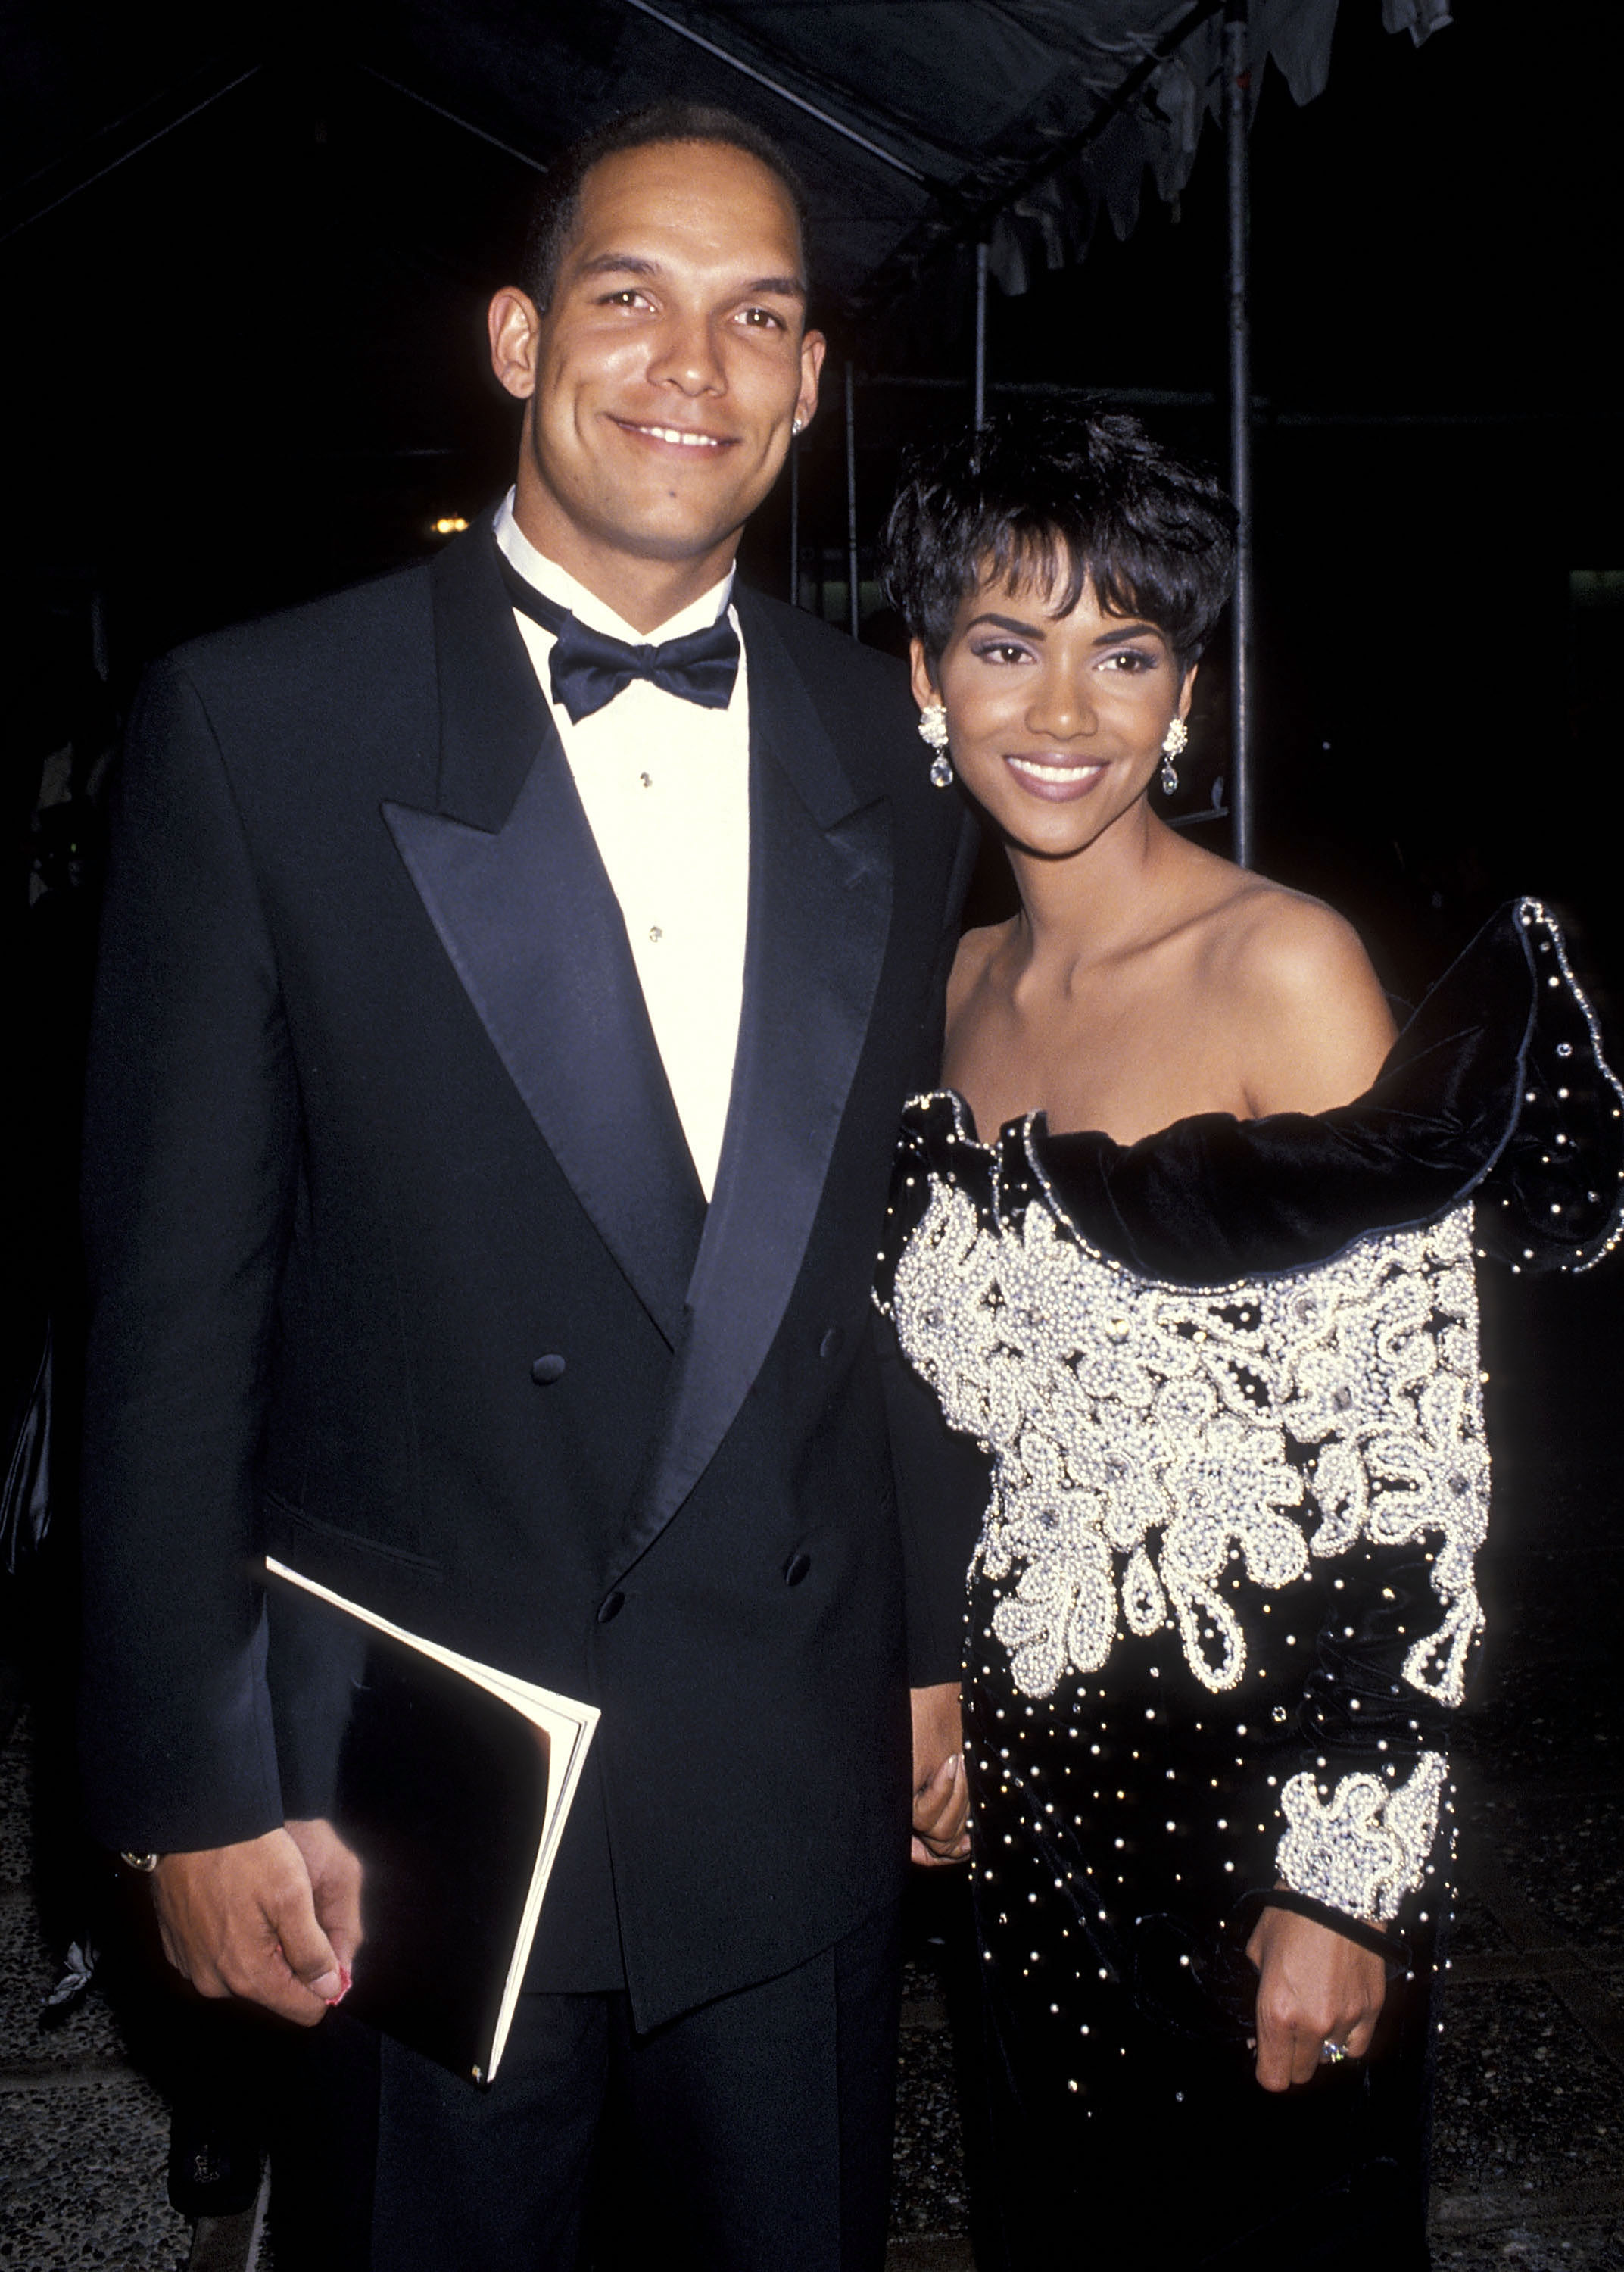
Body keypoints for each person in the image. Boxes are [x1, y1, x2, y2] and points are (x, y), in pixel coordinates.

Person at [76, 104, 977, 2270]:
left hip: (789, 1756)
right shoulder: (259, 723)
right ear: (513, 339)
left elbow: (913, 1261)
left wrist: (931, 1639)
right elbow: (165, 1311)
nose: (691, 364)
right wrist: (190, 1782)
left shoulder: (905, 746)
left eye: (754, 316)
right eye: (628, 297)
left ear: (806, 386)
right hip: (431, 1781)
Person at [875, 410, 1624, 2268]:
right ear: (924, 678)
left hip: (1252, 1808)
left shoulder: (1277, 969)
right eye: (1003, 643)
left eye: (1121, 649)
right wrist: (936, 1679)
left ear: (1184, 691)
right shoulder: (946, 986)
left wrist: (1347, 1887)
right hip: (1027, 1815)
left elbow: (1414, 1470)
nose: (1062, 706)